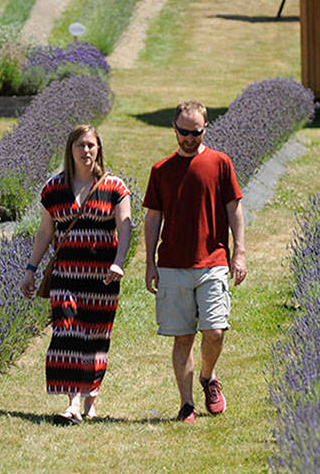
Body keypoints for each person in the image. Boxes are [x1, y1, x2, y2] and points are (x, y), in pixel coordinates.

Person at [20, 125, 133, 424]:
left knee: (96, 337)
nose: (86, 151)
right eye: (80, 145)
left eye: (91, 145)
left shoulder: (115, 187)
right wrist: (31, 271)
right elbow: (45, 232)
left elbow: (125, 226)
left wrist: (119, 262)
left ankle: (90, 401)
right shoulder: (54, 189)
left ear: (99, 149)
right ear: (70, 150)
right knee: (67, 332)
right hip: (66, 276)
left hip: (102, 279)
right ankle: (72, 403)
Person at [142, 100, 246, 423]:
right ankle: (186, 404)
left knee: (214, 331)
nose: (189, 138)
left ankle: (208, 377)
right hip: (173, 264)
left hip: (212, 260)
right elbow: (152, 218)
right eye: (183, 132)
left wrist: (238, 251)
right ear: (174, 129)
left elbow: (234, 209)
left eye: (196, 132)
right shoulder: (161, 171)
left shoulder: (220, 163)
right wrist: (149, 263)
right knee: (183, 337)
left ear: (205, 129)